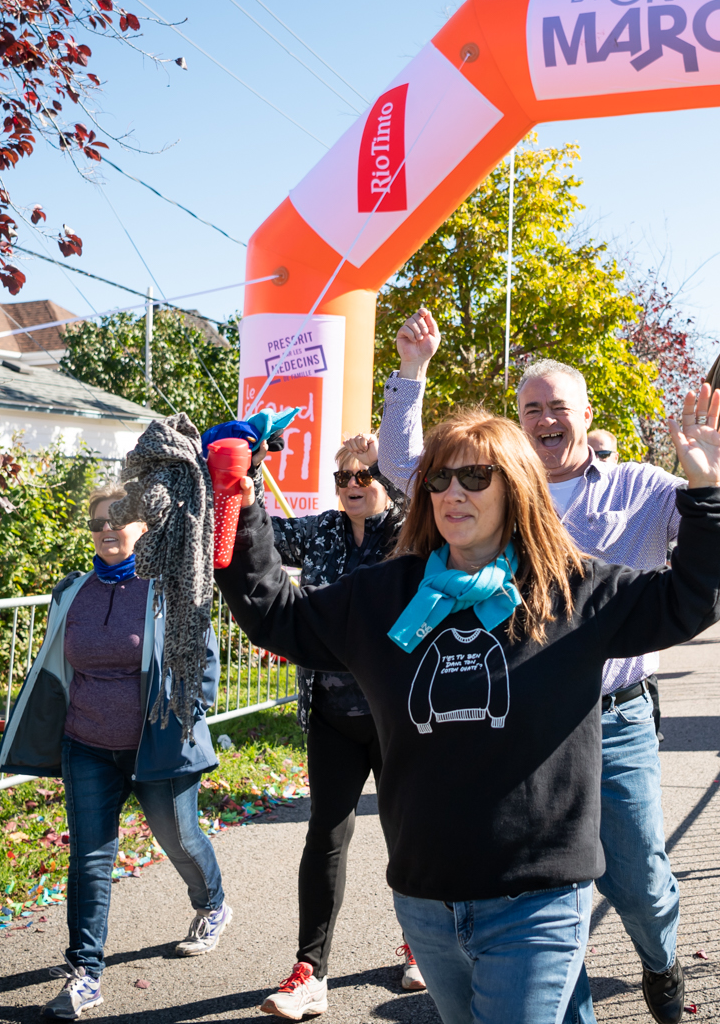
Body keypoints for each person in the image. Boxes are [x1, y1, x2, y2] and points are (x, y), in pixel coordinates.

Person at [217, 389, 720, 1024]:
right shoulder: (387, 595)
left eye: (475, 476)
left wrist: (708, 492)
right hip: (426, 901)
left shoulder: (569, 591)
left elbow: (691, 599)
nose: (452, 491)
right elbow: (277, 615)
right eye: (440, 476)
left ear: (516, 488)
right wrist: (240, 505)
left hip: (537, 898)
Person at [380, 308, 691, 1024]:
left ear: (586, 413)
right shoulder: (501, 490)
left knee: (638, 878)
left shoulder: (642, 490)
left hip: (612, 720)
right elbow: (405, 468)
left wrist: (718, 482)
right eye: (531, 410)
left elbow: (710, 540)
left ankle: (661, 959)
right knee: (547, 897)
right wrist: (412, 373)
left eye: (558, 407)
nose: (545, 419)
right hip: (521, 728)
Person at [0, 482, 233, 1020]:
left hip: (157, 748)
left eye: (118, 519)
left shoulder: (168, 589)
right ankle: (84, 975)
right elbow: (56, 667)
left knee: (181, 839)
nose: (107, 531)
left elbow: (206, 661)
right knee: (90, 859)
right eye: (98, 522)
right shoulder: (70, 591)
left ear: (143, 528)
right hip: (87, 745)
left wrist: (189, 714)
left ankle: (212, 904)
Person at [258, 434, 422, 1020]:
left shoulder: (411, 531)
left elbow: (424, 489)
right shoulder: (323, 529)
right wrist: (246, 469)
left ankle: (422, 947)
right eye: (343, 476)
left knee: (408, 834)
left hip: (393, 712)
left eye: (365, 474)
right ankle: (311, 971)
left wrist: (392, 462)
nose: (353, 484)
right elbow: (262, 533)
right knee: (324, 838)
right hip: (329, 711)